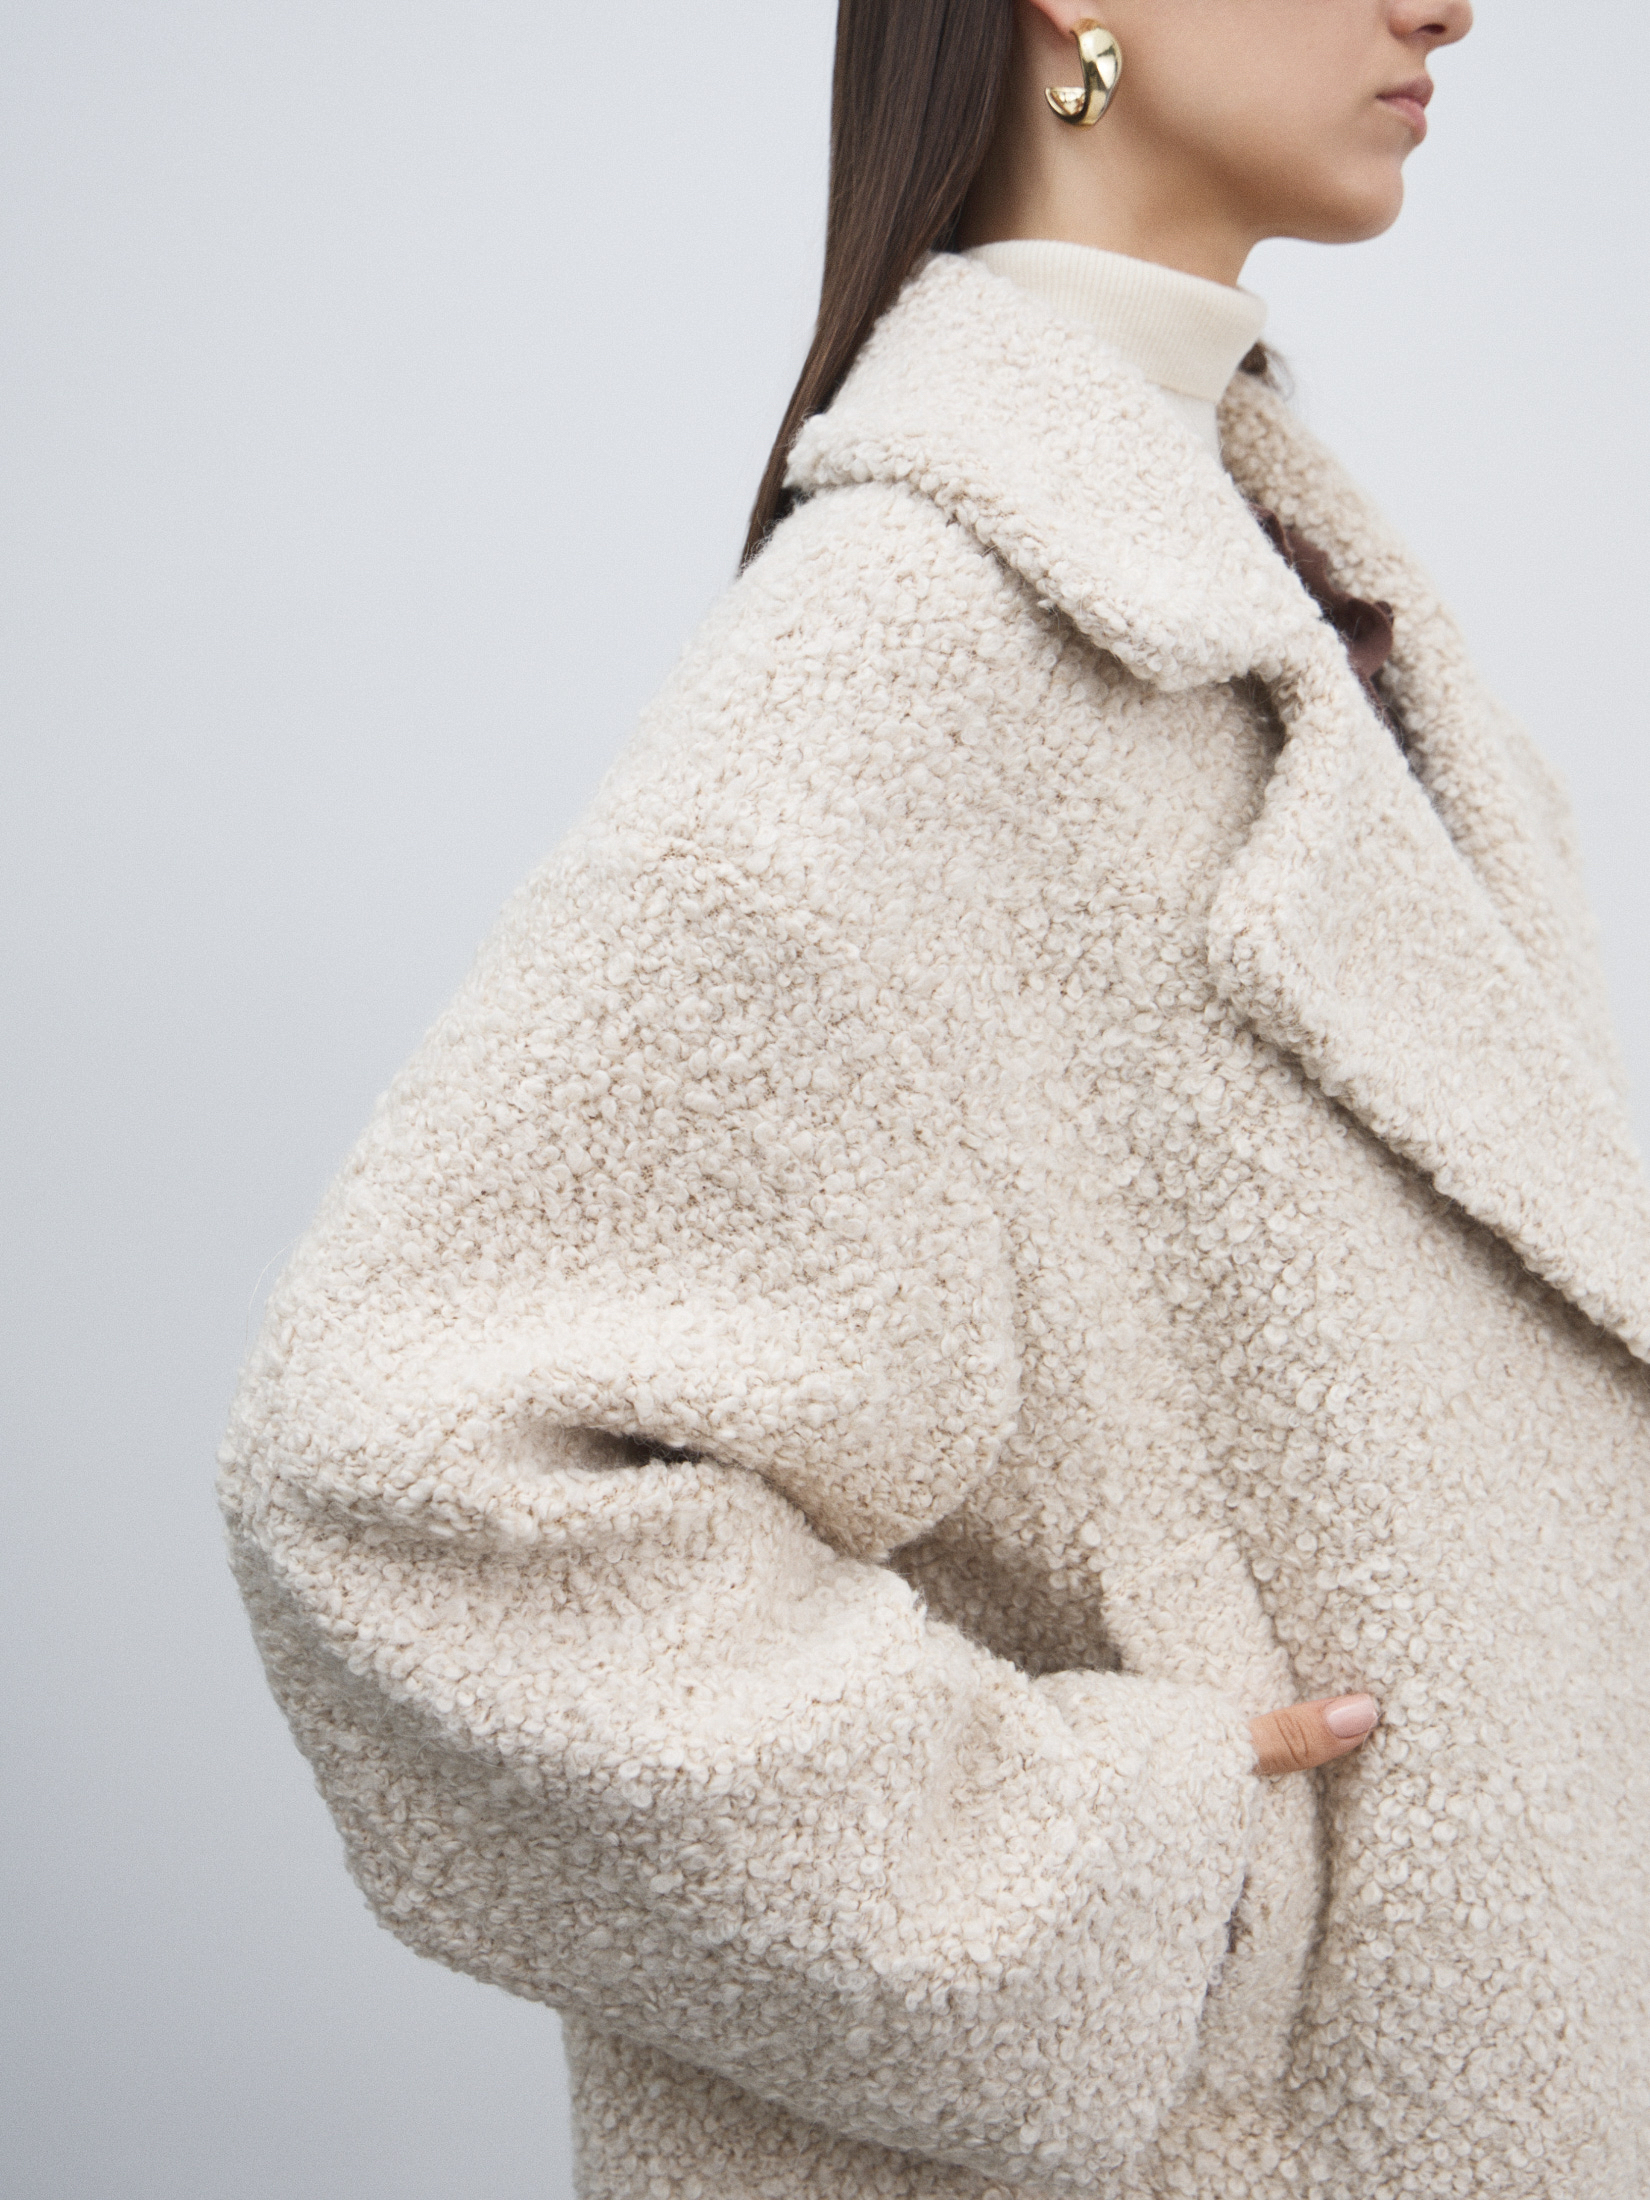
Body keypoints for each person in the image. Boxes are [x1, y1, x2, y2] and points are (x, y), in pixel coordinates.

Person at [219, 1, 1650, 2193]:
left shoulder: (1286, 592)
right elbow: (395, 1481)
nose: (1449, 2)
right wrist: (1134, 1884)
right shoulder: (913, 639)